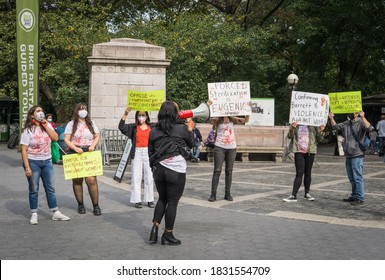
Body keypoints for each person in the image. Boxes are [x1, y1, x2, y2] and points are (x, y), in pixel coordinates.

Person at [148, 101, 194, 245]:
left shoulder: (154, 130)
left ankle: (154, 228)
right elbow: (192, 144)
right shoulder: (182, 128)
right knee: (172, 202)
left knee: (162, 198)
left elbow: (151, 152)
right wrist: (191, 129)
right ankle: (168, 234)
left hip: (159, 170)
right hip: (176, 171)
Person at [20, 105, 70, 224]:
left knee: (50, 188)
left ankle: (55, 212)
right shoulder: (28, 130)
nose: (41, 112)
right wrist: (27, 167)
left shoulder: (46, 125)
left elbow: (55, 138)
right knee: (34, 189)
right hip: (33, 162)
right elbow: (24, 150)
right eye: (38, 111)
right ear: (32, 115)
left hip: (47, 161)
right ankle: (34, 213)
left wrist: (46, 125)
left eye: (42, 110)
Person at [207, 101, 250, 202]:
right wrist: (209, 107)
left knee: (229, 171)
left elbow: (245, 120)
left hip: (231, 147)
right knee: (217, 170)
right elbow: (209, 120)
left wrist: (248, 109)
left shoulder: (232, 119)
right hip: (219, 147)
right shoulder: (218, 120)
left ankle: (227, 194)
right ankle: (213, 194)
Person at [64, 103, 102, 215]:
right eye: (80, 109)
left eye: (84, 109)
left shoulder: (91, 123)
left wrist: (92, 145)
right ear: (76, 111)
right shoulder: (71, 124)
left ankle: (96, 205)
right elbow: (66, 139)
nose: (82, 111)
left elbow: (97, 135)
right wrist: (75, 148)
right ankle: (80, 204)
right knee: (77, 180)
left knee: (91, 180)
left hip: (89, 152)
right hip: (75, 152)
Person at [328, 111, 372, 205]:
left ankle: (360, 197)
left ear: (357, 113)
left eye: (354, 112)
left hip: (357, 154)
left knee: (357, 177)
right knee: (351, 177)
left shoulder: (361, 122)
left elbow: (370, 128)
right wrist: (331, 118)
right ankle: (354, 195)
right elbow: (335, 127)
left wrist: (363, 116)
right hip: (348, 154)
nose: (352, 114)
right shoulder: (346, 123)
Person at [118, 107, 155, 208]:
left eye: (143, 115)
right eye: (139, 115)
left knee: (149, 176)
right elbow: (121, 127)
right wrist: (126, 113)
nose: (141, 117)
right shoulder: (133, 127)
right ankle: (136, 200)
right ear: (137, 116)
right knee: (136, 177)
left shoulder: (152, 126)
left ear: (147, 116)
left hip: (148, 152)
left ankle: (149, 199)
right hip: (137, 152)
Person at [283, 122, 324, 202]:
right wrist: (293, 128)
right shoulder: (296, 124)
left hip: (310, 151)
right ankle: (293, 195)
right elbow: (289, 136)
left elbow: (319, 139)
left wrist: (321, 131)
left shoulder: (313, 125)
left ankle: (307, 193)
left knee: (308, 172)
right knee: (299, 173)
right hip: (298, 151)